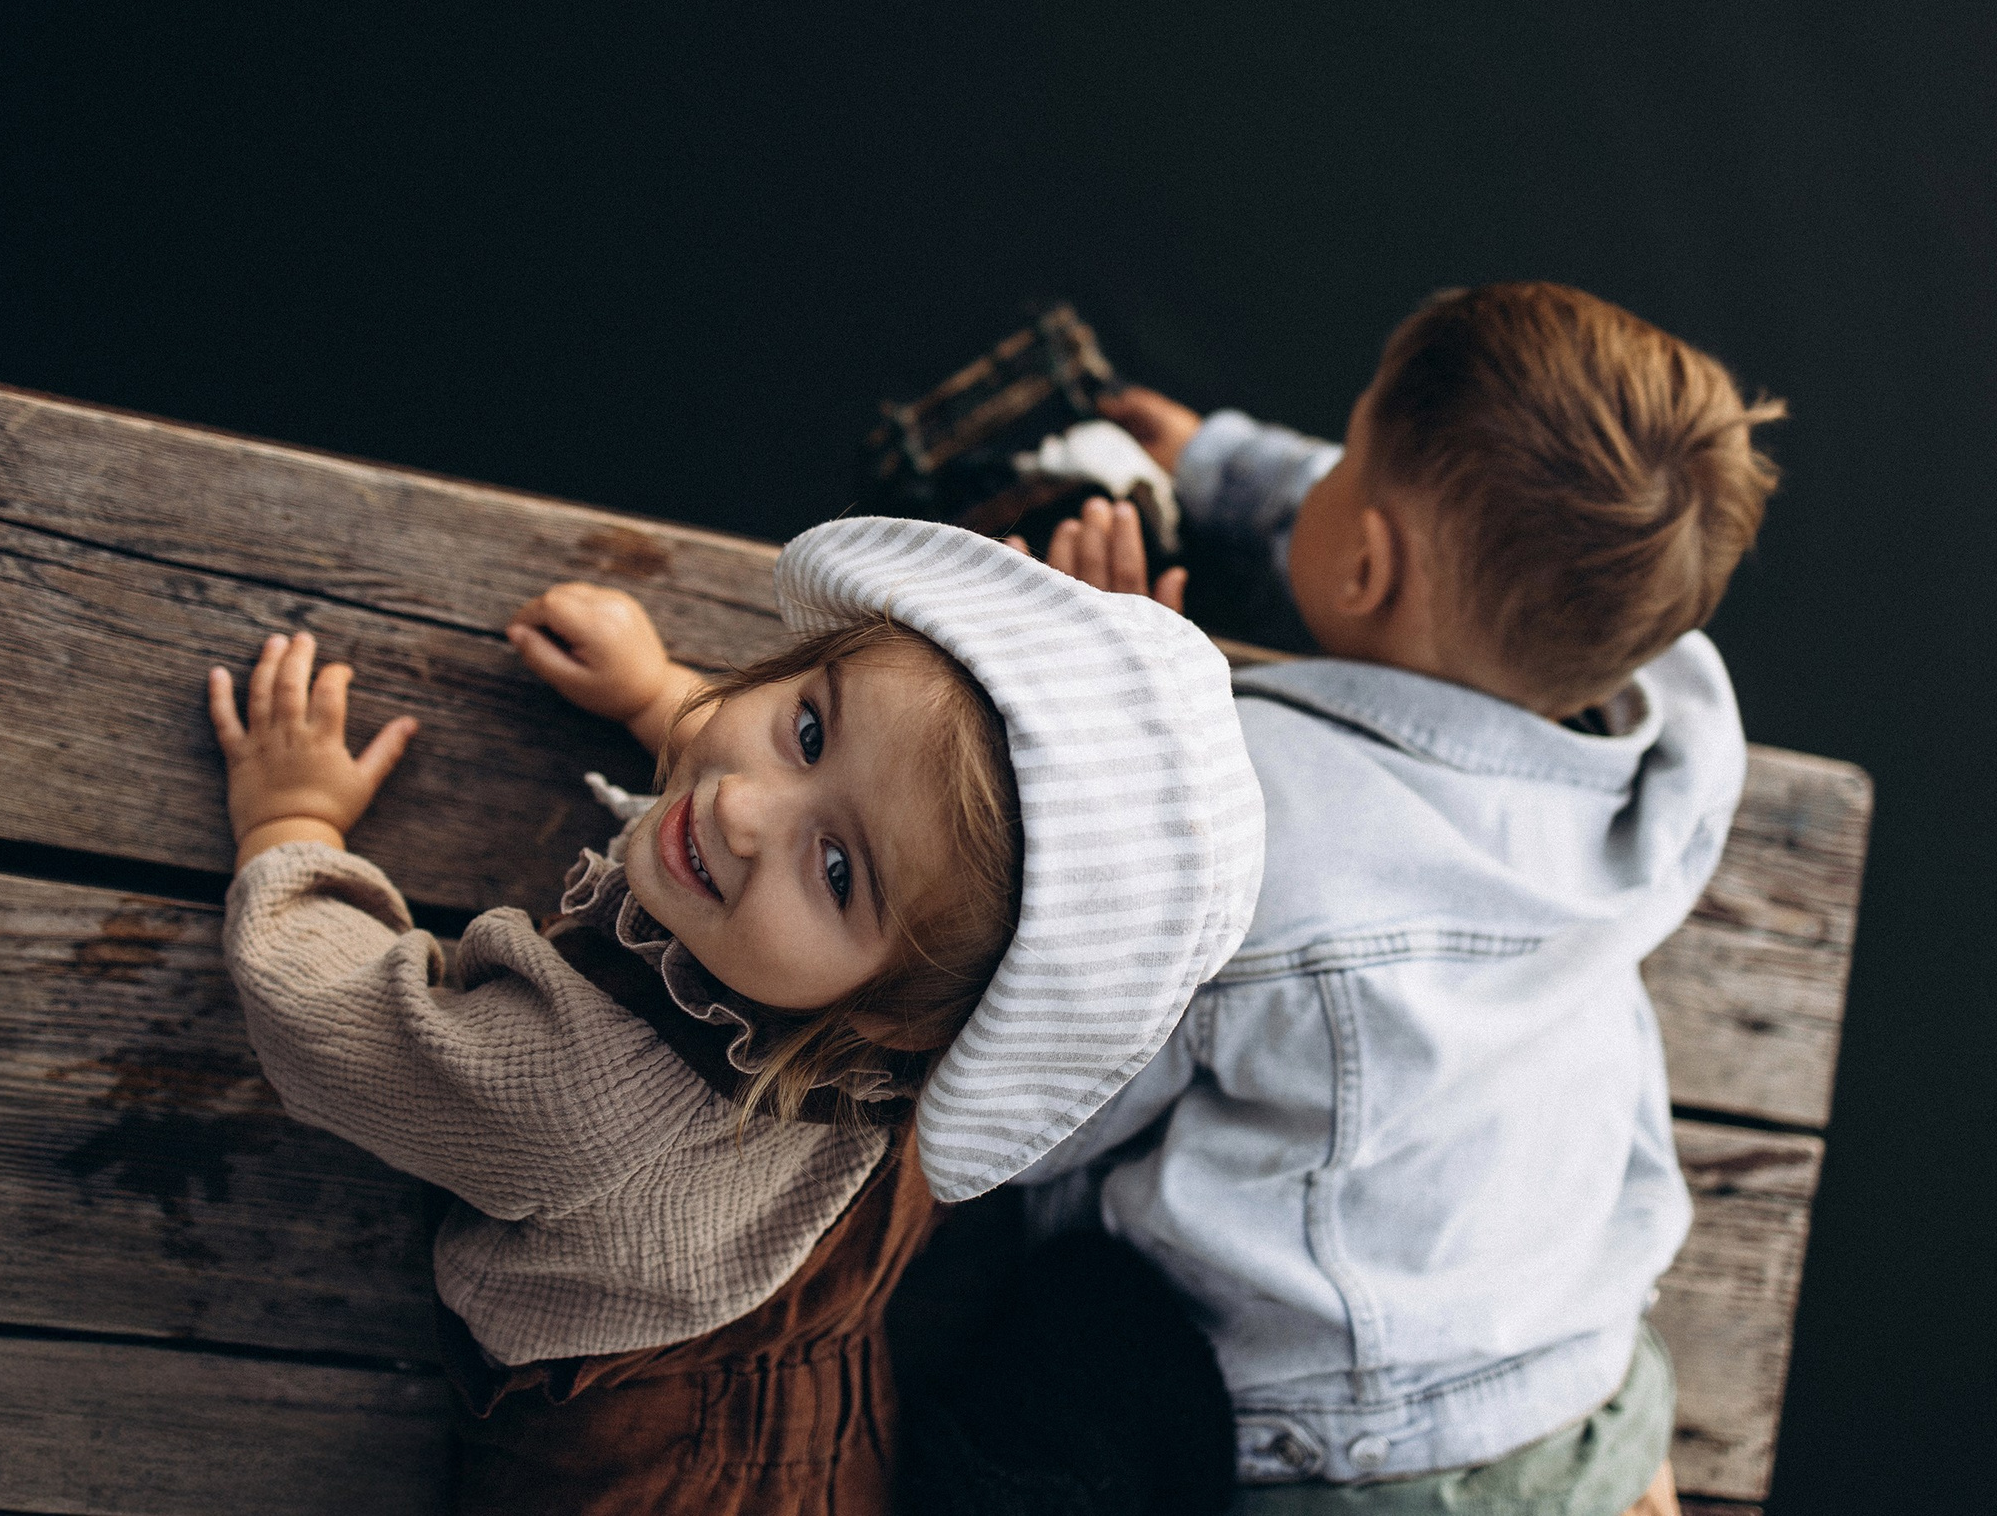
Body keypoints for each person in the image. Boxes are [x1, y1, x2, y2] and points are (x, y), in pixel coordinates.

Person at [200, 516, 1265, 1516]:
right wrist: (653, 694)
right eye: (807, 726)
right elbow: (866, 792)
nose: (740, 808)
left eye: (837, 871)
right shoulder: (919, 1009)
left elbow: (328, 1020)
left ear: (904, 1022)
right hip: (825, 1384)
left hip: (649, 1478)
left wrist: (292, 820)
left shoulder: (569, 1080)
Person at [1017, 282, 1786, 1516]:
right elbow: (1465, 525)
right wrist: (1228, 465)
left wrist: (1115, 714)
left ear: (1369, 562)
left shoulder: (1242, 819)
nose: (1319, 473)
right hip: (1590, 1384)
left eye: (1342, 456)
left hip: (1350, 1461)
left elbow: (1039, 1116)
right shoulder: (1676, 742)